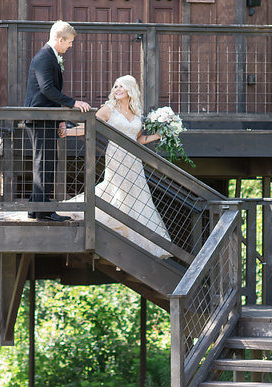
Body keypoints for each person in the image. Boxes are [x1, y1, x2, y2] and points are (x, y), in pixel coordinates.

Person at [60, 75, 171, 257]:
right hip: (116, 156)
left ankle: (140, 241)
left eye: (121, 86)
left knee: (138, 195)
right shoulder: (109, 109)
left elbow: (139, 139)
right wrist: (69, 132)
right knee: (116, 189)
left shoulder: (136, 112)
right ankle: (116, 229)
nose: (117, 89)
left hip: (134, 160)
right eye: (115, 86)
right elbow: (90, 126)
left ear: (130, 90)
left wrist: (158, 135)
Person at [24, 20, 91, 222]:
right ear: (60, 39)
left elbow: (51, 94)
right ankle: (43, 212)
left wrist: (61, 119)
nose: (70, 46)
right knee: (44, 163)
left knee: (45, 162)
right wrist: (73, 103)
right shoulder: (44, 57)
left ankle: (35, 208)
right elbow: (47, 90)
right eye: (69, 42)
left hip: (48, 118)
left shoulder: (50, 56)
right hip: (40, 118)